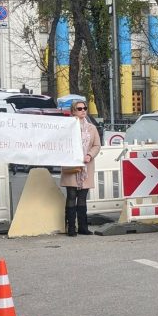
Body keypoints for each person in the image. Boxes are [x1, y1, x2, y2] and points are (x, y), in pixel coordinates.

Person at [61, 99, 102, 236]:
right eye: (79, 109)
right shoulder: (67, 128)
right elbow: (62, 144)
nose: (83, 110)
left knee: (83, 197)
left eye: (84, 108)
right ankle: (71, 228)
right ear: (73, 111)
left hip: (86, 166)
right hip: (71, 165)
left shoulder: (91, 128)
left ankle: (83, 227)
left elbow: (97, 145)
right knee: (71, 195)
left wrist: (89, 155)